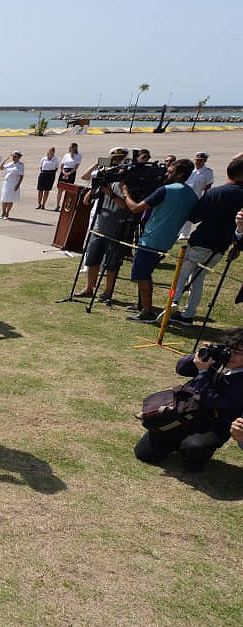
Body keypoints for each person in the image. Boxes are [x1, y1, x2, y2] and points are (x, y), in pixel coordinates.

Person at [135, 330, 243, 472]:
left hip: (212, 425)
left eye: (237, 352)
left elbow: (214, 401)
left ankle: (194, 456)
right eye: (229, 348)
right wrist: (201, 355)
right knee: (144, 454)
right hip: (183, 414)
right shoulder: (218, 359)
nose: (230, 354)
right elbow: (181, 368)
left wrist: (203, 373)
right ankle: (176, 441)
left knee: (195, 447)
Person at [120, 159, 199, 322]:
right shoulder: (192, 195)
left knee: (142, 275)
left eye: (170, 172)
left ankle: (147, 311)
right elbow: (193, 217)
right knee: (145, 273)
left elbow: (135, 208)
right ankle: (143, 306)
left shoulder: (166, 190)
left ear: (180, 174)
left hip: (151, 239)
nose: (166, 174)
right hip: (166, 241)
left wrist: (125, 193)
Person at [167, 156, 243, 325]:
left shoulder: (216, 193)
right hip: (221, 246)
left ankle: (173, 302)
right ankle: (188, 314)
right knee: (199, 279)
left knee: (181, 275)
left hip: (201, 242)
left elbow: (194, 217)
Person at [73, 148, 134, 303]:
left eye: (119, 159)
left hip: (116, 228)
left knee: (112, 264)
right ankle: (88, 288)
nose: (115, 162)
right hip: (99, 226)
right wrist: (96, 186)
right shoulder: (104, 179)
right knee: (92, 260)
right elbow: (87, 201)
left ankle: (107, 292)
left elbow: (128, 207)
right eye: (112, 159)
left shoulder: (124, 182)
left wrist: (111, 193)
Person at [0, 151, 25, 220]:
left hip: (14, 183)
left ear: (19, 157)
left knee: (10, 199)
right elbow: (1, 168)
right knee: (4, 199)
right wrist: (5, 160)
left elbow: (21, 176)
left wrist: (18, 185)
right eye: (13, 156)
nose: (14, 158)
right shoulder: (9, 164)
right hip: (6, 183)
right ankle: (3, 213)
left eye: (15, 157)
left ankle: (7, 213)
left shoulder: (20, 165)